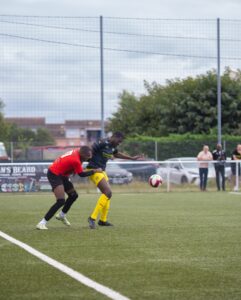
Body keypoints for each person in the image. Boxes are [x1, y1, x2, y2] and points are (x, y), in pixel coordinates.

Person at [36, 146, 102, 230]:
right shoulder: (76, 160)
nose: (88, 159)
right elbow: (81, 174)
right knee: (60, 201)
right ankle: (42, 223)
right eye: (87, 157)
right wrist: (95, 171)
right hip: (54, 174)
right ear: (82, 154)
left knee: (73, 195)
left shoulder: (79, 152)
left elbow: (76, 164)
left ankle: (61, 215)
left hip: (63, 174)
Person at [87, 131, 143, 229]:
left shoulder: (112, 147)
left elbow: (117, 154)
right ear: (114, 137)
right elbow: (89, 150)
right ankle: (92, 218)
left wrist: (131, 158)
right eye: (119, 141)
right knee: (108, 192)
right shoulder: (103, 142)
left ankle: (103, 220)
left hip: (102, 171)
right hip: (93, 169)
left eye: (120, 142)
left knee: (108, 194)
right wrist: (78, 163)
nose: (119, 143)